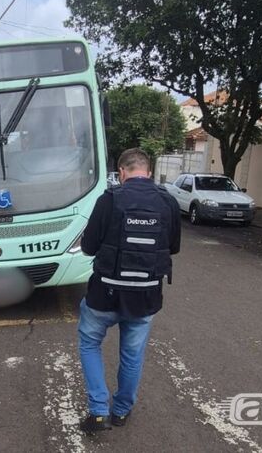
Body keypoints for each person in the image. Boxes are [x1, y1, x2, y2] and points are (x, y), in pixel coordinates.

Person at [78, 148, 181, 434]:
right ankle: (121, 411)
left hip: (105, 294)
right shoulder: (168, 202)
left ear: (122, 172)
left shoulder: (109, 199)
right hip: (146, 296)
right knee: (132, 355)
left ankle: (99, 412)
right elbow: (173, 247)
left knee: (89, 344)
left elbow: (88, 247)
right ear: (148, 172)